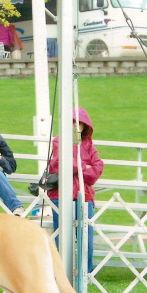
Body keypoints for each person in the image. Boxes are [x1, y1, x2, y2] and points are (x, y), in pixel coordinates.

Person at [47, 108, 104, 273]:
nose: (75, 126)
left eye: (79, 123)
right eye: (72, 122)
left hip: (84, 196)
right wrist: (84, 166)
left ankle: (87, 272)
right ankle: (62, 271)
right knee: (62, 235)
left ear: (85, 126)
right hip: (61, 194)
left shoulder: (89, 145)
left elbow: (97, 169)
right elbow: (62, 162)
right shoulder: (59, 142)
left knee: (86, 236)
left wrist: (80, 167)